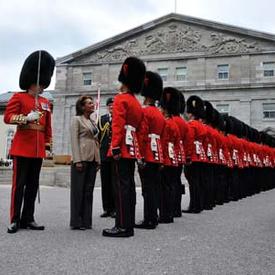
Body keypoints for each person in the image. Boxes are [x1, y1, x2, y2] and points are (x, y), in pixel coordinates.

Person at [4, 50, 55, 233]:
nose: (43, 86)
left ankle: (28, 217)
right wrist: (25, 118)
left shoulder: (45, 102)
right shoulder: (18, 97)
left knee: (33, 186)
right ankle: (14, 219)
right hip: (22, 147)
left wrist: (48, 146)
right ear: (34, 81)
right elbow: (8, 117)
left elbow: (47, 127)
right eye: (42, 83)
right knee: (19, 186)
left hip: (37, 148)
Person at [102, 56, 146, 237]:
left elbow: (117, 126)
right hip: (132, 148)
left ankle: (122, 226)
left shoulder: (121, 99)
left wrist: (115, 147)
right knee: (128, 187)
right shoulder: (137, 102)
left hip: (121, 149)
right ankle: (128, 224)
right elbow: (141, 131)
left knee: (120, 188)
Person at [135, 71, 165, 230]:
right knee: (154, 187)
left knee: (147, 189)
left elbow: (142, 135)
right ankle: (154, 216)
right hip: (157, 153)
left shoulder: (145, 111)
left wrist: (139, 156)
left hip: (147, 152)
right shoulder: (159, 114)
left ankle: (149, 219)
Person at [70, 95, 100, 230]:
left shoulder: (93, 122)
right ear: (82, 107)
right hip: (81, 159)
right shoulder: (76, 119)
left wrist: (98, 160)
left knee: (88, 191)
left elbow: (96, 141)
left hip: (93, 159)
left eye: (92, 102)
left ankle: (86, 221)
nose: (92, 104)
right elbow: (74, 140)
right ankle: (77, 221)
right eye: (89, 103)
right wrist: (77, 160)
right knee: (78, 191)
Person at [98, 97, 116, 218]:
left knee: (114, 183)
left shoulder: (119, 118)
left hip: (115, 155)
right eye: (109, 105)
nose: (111, 106)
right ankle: (107, 208)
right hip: (104, 155)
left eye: (113, 105)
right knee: (105, 183)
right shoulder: (102, 119)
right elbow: (99, 137)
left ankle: (115, 208)